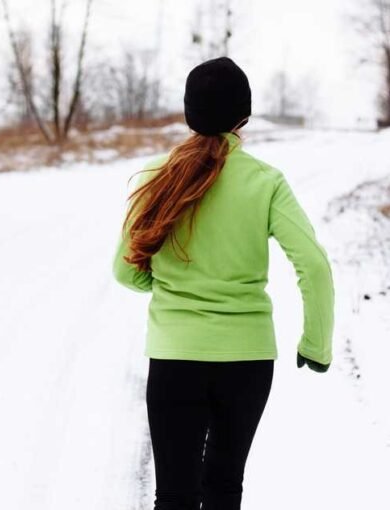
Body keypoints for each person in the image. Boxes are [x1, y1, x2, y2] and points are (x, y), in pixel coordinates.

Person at [111, 56, 335, 510]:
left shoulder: (158, 175)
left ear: (189, 113)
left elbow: (126, 271)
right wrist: (316, 345)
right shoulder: (266, 181)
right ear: (244, 116)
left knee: (174, 494)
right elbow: (314, 265)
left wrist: (177, 289)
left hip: (176, 357)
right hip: (248, 361)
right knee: (224, 486)